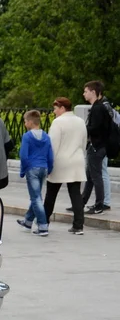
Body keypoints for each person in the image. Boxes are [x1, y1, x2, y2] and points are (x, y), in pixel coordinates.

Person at [44, 98, 87, 235]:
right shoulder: (80, 121)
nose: (54, 111)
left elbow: (53, 145)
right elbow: (84, 142)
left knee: (51, 193)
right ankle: (78, 225)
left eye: (55, 108)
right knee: (76, 194)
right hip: (77, 160)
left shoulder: (58, 122)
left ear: (62, 108)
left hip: (60, 162)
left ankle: (44, 221)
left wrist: (49, 163)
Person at [16, 110, 54, 236]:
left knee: (36, 198)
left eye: (25, 121)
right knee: (36, 196)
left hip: (32, 169)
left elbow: (23, 156)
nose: (25, 123)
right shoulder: (46, 136)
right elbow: (50, 156)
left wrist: (23, 170)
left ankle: (43, 226)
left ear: (31, 122)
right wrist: (50, 168)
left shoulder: (27, 137)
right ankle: (27, 221)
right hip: (43, 168)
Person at [78, 80, 109, 214]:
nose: (84, 94)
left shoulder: (97, 108)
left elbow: (95, 128)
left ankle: (99, 205)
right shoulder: (99, 107)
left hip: (96, 146)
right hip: (98, 146)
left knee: (95, 176)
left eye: (86, 91)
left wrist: (82, 128)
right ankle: (81, 202)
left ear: (93, 92)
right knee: (90, 176)